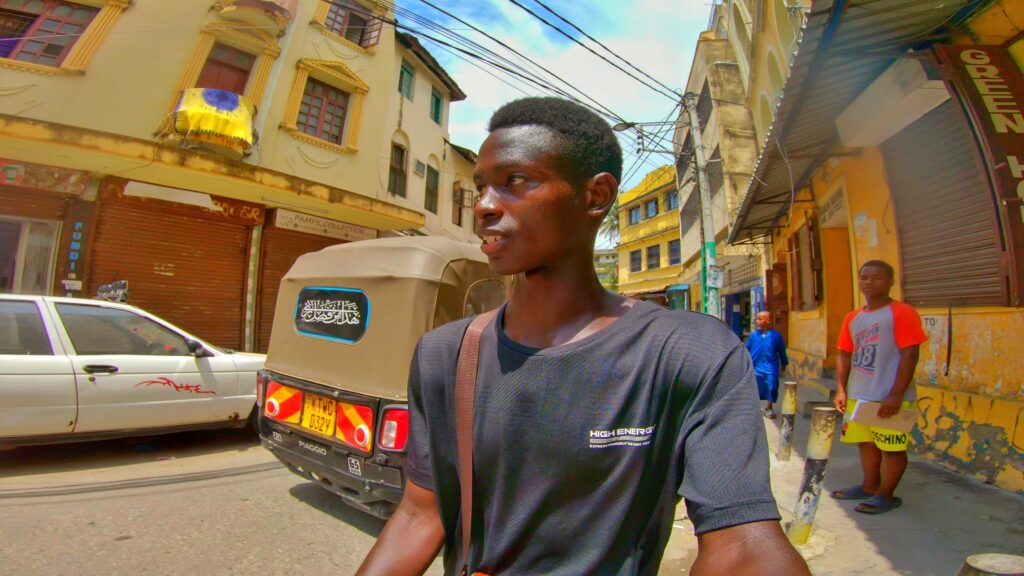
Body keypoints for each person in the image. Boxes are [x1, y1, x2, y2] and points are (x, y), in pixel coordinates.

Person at [356, 97, 809, 575]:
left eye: (515, 181)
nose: (485, 206)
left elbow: (743, 543)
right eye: (481, 187)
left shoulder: (688, 353)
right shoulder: (445, 354)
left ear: (595, 196)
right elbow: (419, 513)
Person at [830, 260, 926, 515]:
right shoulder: (853, 317)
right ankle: (870, 486)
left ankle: (886, 494)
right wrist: (841, 389)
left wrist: (895, 394)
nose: (869, 282)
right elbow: (844, 354)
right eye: (864, 277)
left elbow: (910, 355)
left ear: (891, 281)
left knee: (892, 447)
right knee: (866, 443)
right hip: (860, 395)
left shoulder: (902, 312)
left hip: (889, 396)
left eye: (877, 278)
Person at [746, 310, 789, 419]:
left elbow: (781, 351)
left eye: (760, 319)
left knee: (772, 386)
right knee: (755, 387)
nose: (757, 321)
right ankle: (753, 408)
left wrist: (784, 363)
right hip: (756, 367)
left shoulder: (776, 336)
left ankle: (769, 407)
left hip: (771, 367)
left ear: (768, 321)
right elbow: (746, 349)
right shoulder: (753, 336)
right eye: (757, 319)